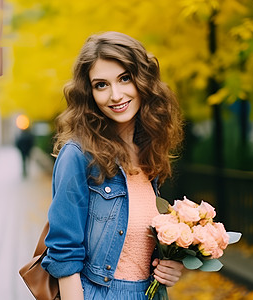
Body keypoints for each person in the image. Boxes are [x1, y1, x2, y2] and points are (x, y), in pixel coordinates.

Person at [41, 31, 184, 299]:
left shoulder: (148, 153)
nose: (115, 95)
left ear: (143, 80)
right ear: (89, 92)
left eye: (124, 78)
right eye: (101, 85)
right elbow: (64, 254)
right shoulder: (78, 155)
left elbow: (138, 246)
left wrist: (170, 267)